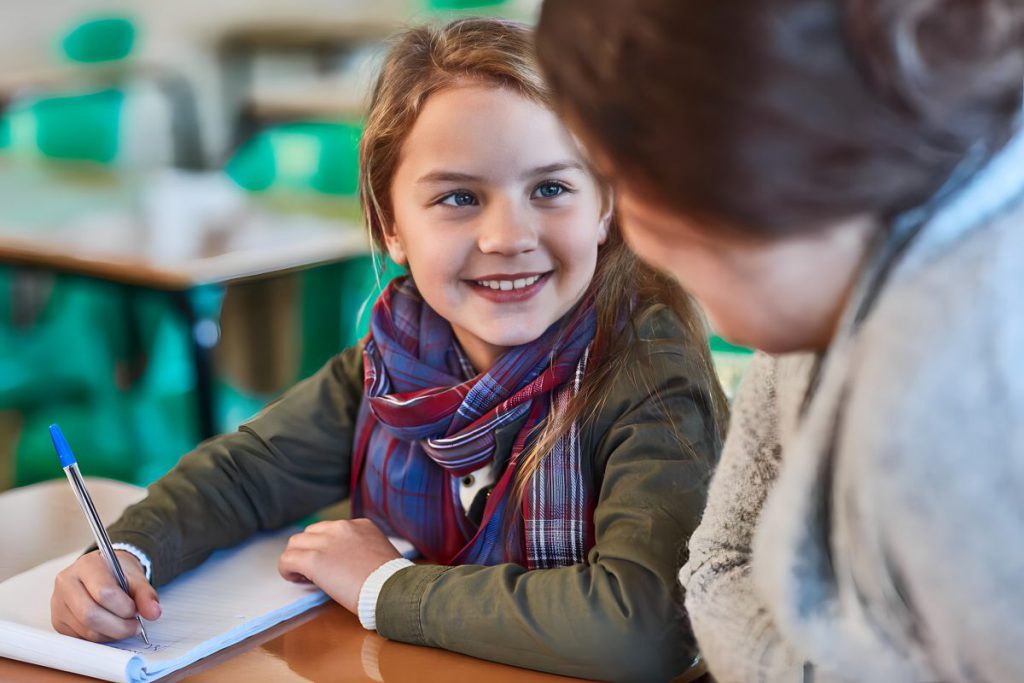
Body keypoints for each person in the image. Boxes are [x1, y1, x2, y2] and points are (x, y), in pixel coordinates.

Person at [49, 18, 727, 681]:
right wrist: (128, 553)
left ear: (605, 205)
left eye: (550, 189)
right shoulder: (396, 361)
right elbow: (243, 475)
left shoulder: (647, 374)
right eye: (460, 197)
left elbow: (642, 630)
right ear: (390, 224)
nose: (507, 236)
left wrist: (385, 586)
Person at [536, 0, 1024, 680]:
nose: (628, 233)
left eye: (617, 180)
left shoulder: (949, 393)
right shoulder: (841, 287)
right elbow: (716, 560)